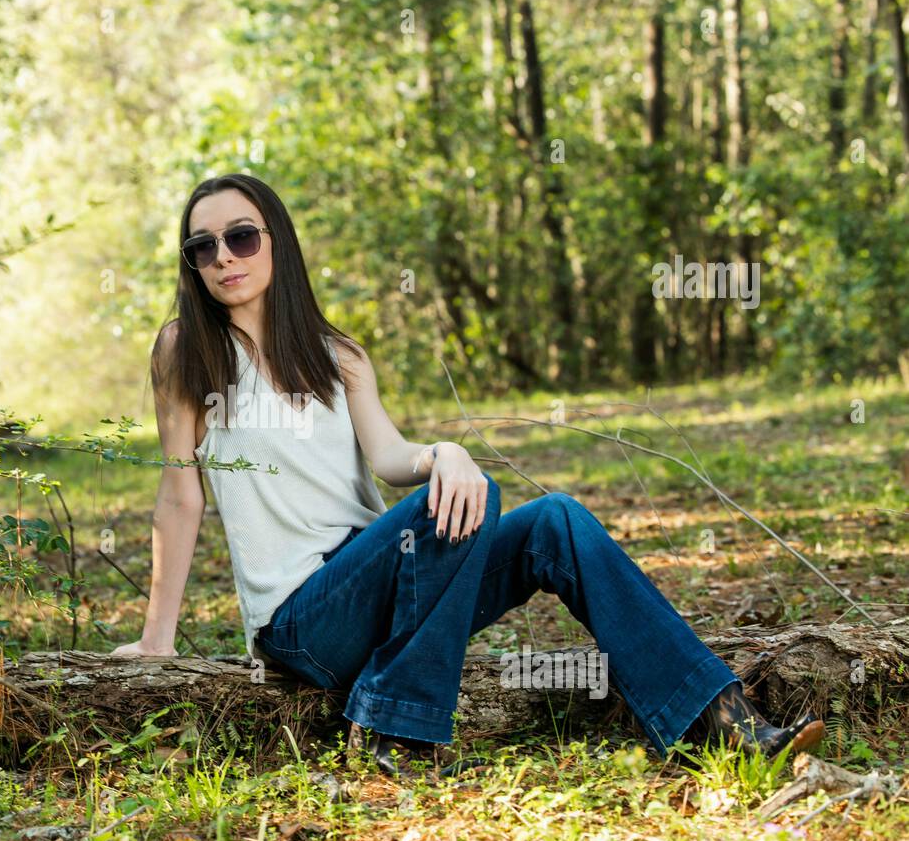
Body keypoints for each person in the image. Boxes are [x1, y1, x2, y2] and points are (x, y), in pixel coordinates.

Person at [113, 173, 824, 778]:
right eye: (202, 247)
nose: (223, 257)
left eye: (241, 235)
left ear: (278, 241)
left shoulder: (338, 354)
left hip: (390, 583)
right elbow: (180, 496)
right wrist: (156, 641)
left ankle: (724, 722)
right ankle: (398, 727)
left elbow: (392, 459)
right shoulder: (186, 351)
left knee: (558, 520)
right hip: (303, 622)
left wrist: (441, 453)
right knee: (464, 505)